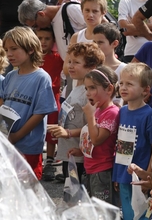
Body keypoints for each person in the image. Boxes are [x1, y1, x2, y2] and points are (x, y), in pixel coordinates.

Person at [0, 27, 57, 180]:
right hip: (8, 144)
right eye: (6, 49)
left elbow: (40, 113)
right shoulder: (10, 76)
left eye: (14, 48)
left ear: (31, 49)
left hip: (28, 146)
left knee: (27, 190)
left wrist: (17, 135)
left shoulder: (41, 77)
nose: (9, 54)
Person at [49, 42, 104, 184]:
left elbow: (93, 127)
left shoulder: (88, 93)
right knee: (70, 196)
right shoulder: (76, 86)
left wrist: (67, 133)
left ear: (91, 67)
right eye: (70, 61)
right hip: (69, 153)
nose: (70, 66)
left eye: (76, 62)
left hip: (79, 156)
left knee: (77, 196)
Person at [112, 63, 152, 220]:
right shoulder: (122, 111)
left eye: (129, 84)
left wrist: (148, 174)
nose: (123, 88)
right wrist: (117, 173)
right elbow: (121, 144)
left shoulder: (149, 115)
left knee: (140, 213)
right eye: (122, 83)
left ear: (145, 90)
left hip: (139, 176)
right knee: (127, 213)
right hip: (123, 173)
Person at [68, 66, 119, 204]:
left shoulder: (111, 112)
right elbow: (92, 139)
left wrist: (90, 115)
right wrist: (81, 151)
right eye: (86, 88)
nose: (88, 93)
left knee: (102, 210)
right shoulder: (97, 110)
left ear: (109, 89)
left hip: (102, 170)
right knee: (91, 208)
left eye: (92, 88)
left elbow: (97, 139)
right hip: (90, 168)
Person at [36, 27, 64, 181]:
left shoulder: (58, 57)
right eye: (40, 38)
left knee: (51, 131)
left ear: (53, 41)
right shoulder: (30, 57)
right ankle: (37, 161)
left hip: (53, 99)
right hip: (35, 100)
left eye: (47, 39)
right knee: (36, 129)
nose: (43, 42)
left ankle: (50, 162)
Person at [18, 0, 86, 60]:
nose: (38, 29)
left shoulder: (71, 10)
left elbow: (95, 29)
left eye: (35, 25)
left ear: (41, 14)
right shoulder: (53, 23)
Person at [92, 23, 126, 105]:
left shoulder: (125, 69)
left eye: (100, 42)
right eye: (94, 42)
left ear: (114, 43)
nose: (96, 46)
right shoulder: (91, 68)